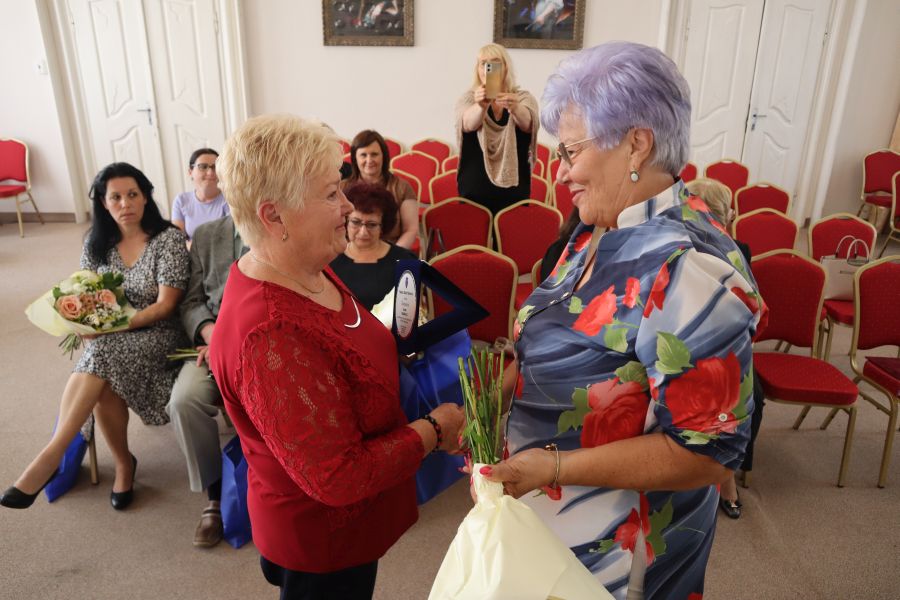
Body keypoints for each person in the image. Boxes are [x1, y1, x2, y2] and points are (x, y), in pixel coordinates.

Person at [479, 42, 766, 598]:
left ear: (636, 143)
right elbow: (557, 346)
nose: (561, 171)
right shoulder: (598, 228)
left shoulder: (686, 267)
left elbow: (708, 452)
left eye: (571, 151)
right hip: (550, 522)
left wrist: (553, 468)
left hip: (618, 555)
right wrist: (490, 400)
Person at [208, 114, 465, 599]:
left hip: (351, 526)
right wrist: (436, 428)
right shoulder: (271, 335)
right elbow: (338, 477)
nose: (347, 206)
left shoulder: (305, 265)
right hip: (321, 543)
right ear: (274, 216)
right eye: (330, 194)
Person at [1, 163, 189, 511]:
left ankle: (56, 454)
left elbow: (165, 306)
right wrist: (86, 325)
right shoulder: (96, 242)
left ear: (146, 197)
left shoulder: (169, 239)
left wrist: (110, 329)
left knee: (101, 355)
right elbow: (85, 295)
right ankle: (120, 462)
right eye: (115, 197)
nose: (125, 204)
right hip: (110, 340)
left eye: (132, 194)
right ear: (104, 203)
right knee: (102, 368)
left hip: (161, 335)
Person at [686, 177, 767, 520]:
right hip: (686, 336)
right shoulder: (678, 244)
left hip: (728, 339)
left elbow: (748, 306)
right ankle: (696, 469)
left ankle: (727, 471)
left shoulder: (739, 249)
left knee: (751, 396)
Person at [167, 214, 247, 547]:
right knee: (184, 401)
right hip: (209, 347)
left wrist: (232, 341)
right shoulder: (206, 234)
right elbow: (191, 301)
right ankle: (214, 493)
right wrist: (211, 334)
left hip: (260, 345)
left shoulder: (283, 229)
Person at [455, 43, 539, 215]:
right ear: (478, 69)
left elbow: (529, 124)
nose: (488, 67)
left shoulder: (523, 97)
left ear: (505, 68)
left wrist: (515, 107)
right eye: (483, 63)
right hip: (474, 188)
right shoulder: (469, 98)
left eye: (495, 62)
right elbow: (468, 124)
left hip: (514, 189)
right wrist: (481, 106)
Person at [330, 182, 417, 310]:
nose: (363, 232)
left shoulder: (404, 261)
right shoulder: (330, 260)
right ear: (346, 221)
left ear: (383, 225)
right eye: (356, 222)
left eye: (371, 224)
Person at [342, 130, 418, 249]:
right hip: (350, 251)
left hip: (392, 250)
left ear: (384, 156)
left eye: (374, 154)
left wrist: (393, 255)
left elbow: (410, 230)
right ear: (355, 158)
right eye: (363, 155)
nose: (369, 160)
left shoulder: (402, 187)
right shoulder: (342, 188)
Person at [171, 148, 230, 241]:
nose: (210, 172)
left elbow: (232, 239)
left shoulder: (230, 198)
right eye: (203, 167)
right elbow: (177, 240)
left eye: (215, 167)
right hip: (190, 250)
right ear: (190, 172)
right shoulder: (181, 200)